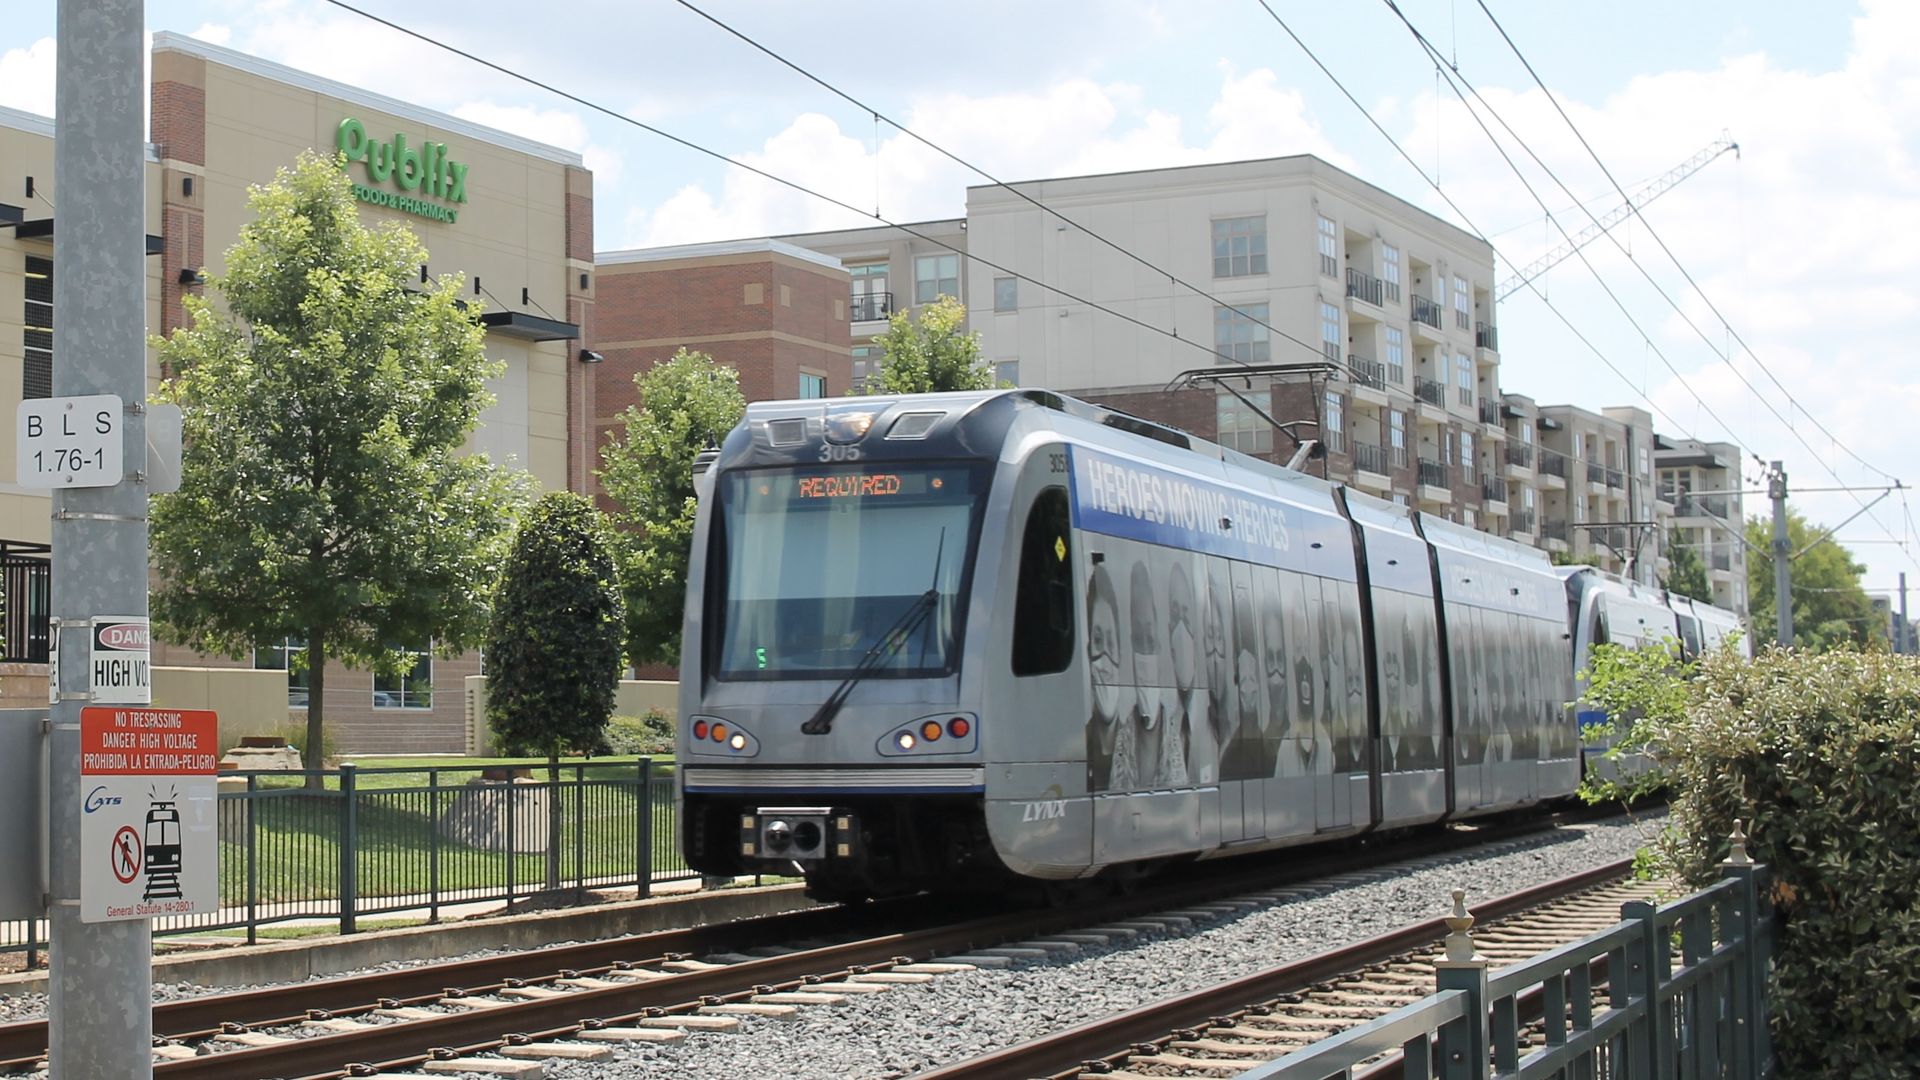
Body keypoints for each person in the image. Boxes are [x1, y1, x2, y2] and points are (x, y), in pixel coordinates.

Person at [1083, 563, 1126, 793]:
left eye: (1111, 641)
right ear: (1088, 651)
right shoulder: (1077, 744)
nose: (1106, 658)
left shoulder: (1139, 746)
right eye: (1098, 641)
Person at [1159, 561, 1197, 787]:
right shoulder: (1164, 719)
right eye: (1175, 613)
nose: (1181, 626)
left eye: (1186, 612)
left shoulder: (1211, 723)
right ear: (1168, 628)